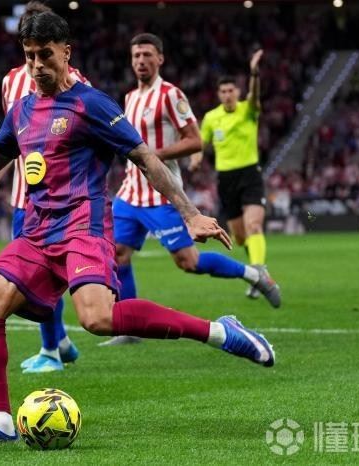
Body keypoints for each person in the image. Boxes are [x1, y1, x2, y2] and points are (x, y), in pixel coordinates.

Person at [0, 12, 277, 444]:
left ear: (66, 52)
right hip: (37, 232)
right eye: (29, 56)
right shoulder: (22, 110)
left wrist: (189, 213)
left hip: (83, 227)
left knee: (96, 318)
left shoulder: (91, 104)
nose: (37, 65)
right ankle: (0, 422)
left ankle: (220, 331)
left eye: (45, 54)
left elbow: (145, 158)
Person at [102, 35, 280, 346]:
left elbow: (195, 141)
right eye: (136, 55)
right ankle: (130, 328)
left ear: (160, 59)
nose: (141, 60)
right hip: (130, 192)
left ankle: (254, 274)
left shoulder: (171, 95)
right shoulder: (130, 98)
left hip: (161, 194)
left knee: (189, 262)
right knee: (117, 254)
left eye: (147, 54)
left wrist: (155, 155)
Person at [0, 0, 89, 374]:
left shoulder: (76, 81)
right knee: (34, 275)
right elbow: (14, 139)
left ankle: (51, 350)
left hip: (63, 201)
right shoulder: (10, 81)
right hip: (25, 199)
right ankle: (60, 343)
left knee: (42, 278)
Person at [195, 50, 274, 300]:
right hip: (226, 180)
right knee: (240, 237)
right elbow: (200, 144)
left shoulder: (248, 110)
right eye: (223, 91)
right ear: (219, 94)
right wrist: (195, 159)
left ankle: (259, 273)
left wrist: (254, 72)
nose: (228, 94)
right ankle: (257, 273)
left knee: (254, 225)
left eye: (231, 90)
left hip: (250, 174)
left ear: (238, 92)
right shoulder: (211, 118)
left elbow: (255, 96)